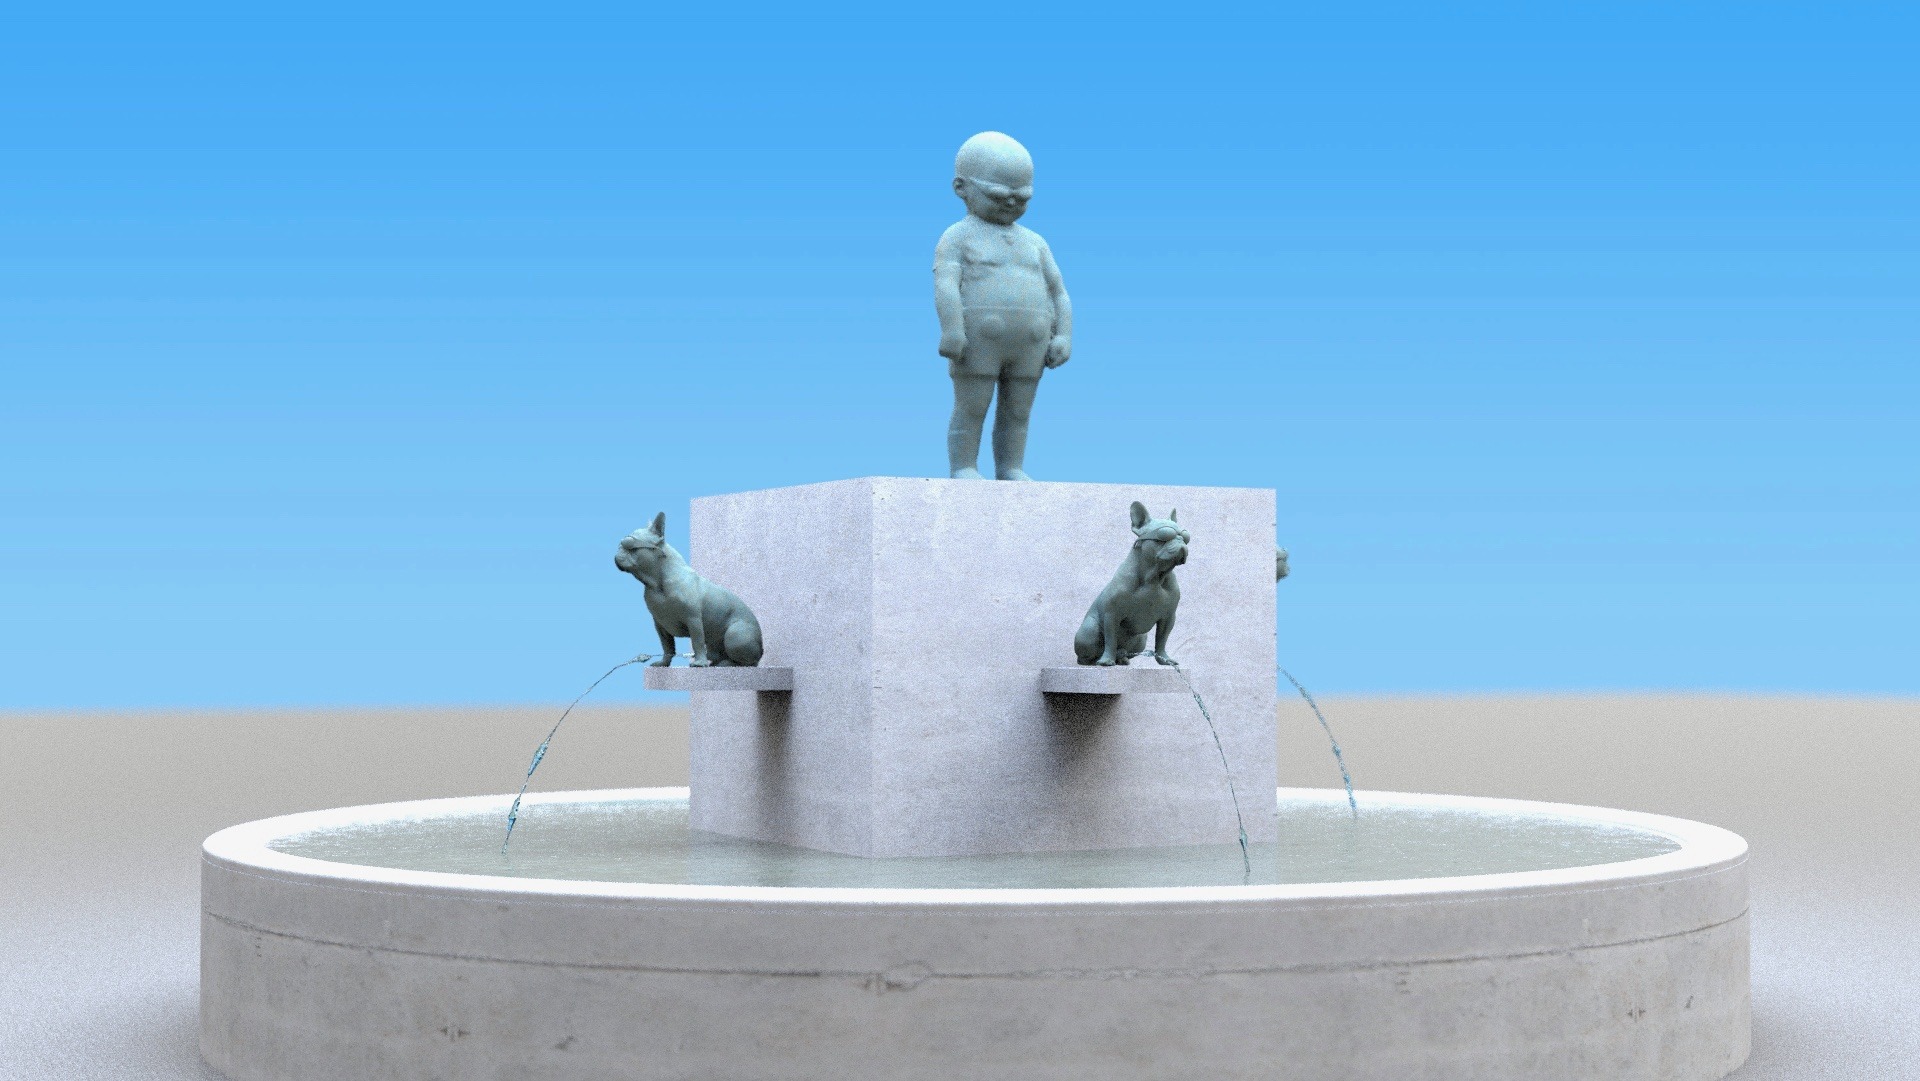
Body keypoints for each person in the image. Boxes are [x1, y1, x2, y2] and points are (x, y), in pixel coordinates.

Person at [932, 132, 1072, 480]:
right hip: (980, 339)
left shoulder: (1035, 242)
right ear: (961, 187)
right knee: (972, 406)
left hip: (1031, 342)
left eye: (1022, 197)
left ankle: (1011, 466)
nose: (1011, 203)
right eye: (998, 195)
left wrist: (1064, 335)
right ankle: (964, 466)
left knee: (1019, 411)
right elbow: (946, 283)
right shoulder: (957, 236)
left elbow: (1058, 292)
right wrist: (952, 329)